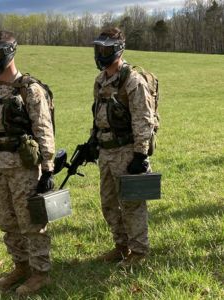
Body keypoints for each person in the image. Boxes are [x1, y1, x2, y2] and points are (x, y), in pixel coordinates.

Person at [0, 30, 55, 295]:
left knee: (31, 221)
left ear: (9, 54)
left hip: (25, 166)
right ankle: (21, 266)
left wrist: (48, 169)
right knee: (8, 221)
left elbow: (43, 129)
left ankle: (41, 273)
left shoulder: (30, 89)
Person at [91, 28, 158, 265]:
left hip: (127, 150)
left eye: (106, 49)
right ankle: (121, 246)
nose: (101, 53)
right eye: (99, 48)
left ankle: (138, 252)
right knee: (108, 203)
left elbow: (143, 119)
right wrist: (93, 140)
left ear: (119, 50)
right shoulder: (100, 80)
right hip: (106, 150)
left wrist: (140, 154)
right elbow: (98, 113)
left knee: (131, 204)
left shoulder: (133, 80)